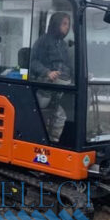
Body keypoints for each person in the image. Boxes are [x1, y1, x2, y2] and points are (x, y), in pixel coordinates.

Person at [30, 12, 73, 142]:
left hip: (62, 82)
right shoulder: (43, 41)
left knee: (85, 92)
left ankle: (63, 135)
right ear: (56, 24)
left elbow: (68, 65)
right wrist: (47, 72)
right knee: (61, 113)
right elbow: (33, 62)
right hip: (46, 82)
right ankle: (54, 140)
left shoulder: (63, 44)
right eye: (64, 24)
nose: (67, 27)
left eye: (68, 24)